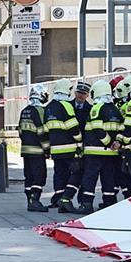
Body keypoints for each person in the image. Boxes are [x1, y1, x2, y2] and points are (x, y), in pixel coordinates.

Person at [75, 80, 124, 214]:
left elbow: (97, 128)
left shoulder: (97, 107)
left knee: (90, 178)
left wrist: (108, 143)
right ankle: (109, 203)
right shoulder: (115, 109)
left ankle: (87, 204)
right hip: (111, 153)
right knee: (108, 178)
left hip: (95, 152)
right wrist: (116, 143)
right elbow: (121, 128)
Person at [44, 78, 83, 212]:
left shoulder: (48, 107)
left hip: (55, 148)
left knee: (60, 174)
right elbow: (72, 126)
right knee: (78, 172)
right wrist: (79, 141)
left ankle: (58, 199)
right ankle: (66, 198)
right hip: (69, 147)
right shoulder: (66, 105)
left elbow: (45, 129)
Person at [19, 84, 50, 212]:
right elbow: (42, 132)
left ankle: (29, 201)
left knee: (29, 176)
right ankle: (35, 201)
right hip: (37, 150)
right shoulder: (40, 111)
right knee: (39, 176)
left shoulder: (24, 110)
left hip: (26, 150)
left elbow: (20, 131)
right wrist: (47, 149)